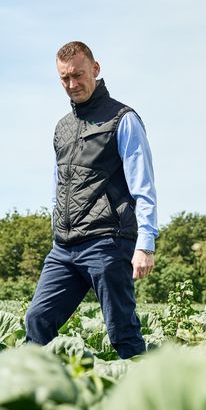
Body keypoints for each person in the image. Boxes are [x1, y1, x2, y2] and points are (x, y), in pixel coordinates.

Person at [24, 41, 158, 359]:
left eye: (78, 75)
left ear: (95, 69)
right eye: (64, 78)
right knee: (37, 319)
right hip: (64, 248)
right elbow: (59, 185)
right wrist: (57, 226)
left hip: (107, 241)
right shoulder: (63, 128)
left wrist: (145, 244)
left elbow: (143, 186)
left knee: (122, 330)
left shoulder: (122, 119)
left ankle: (142, 385)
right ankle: (37, 385)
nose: (72, 84)